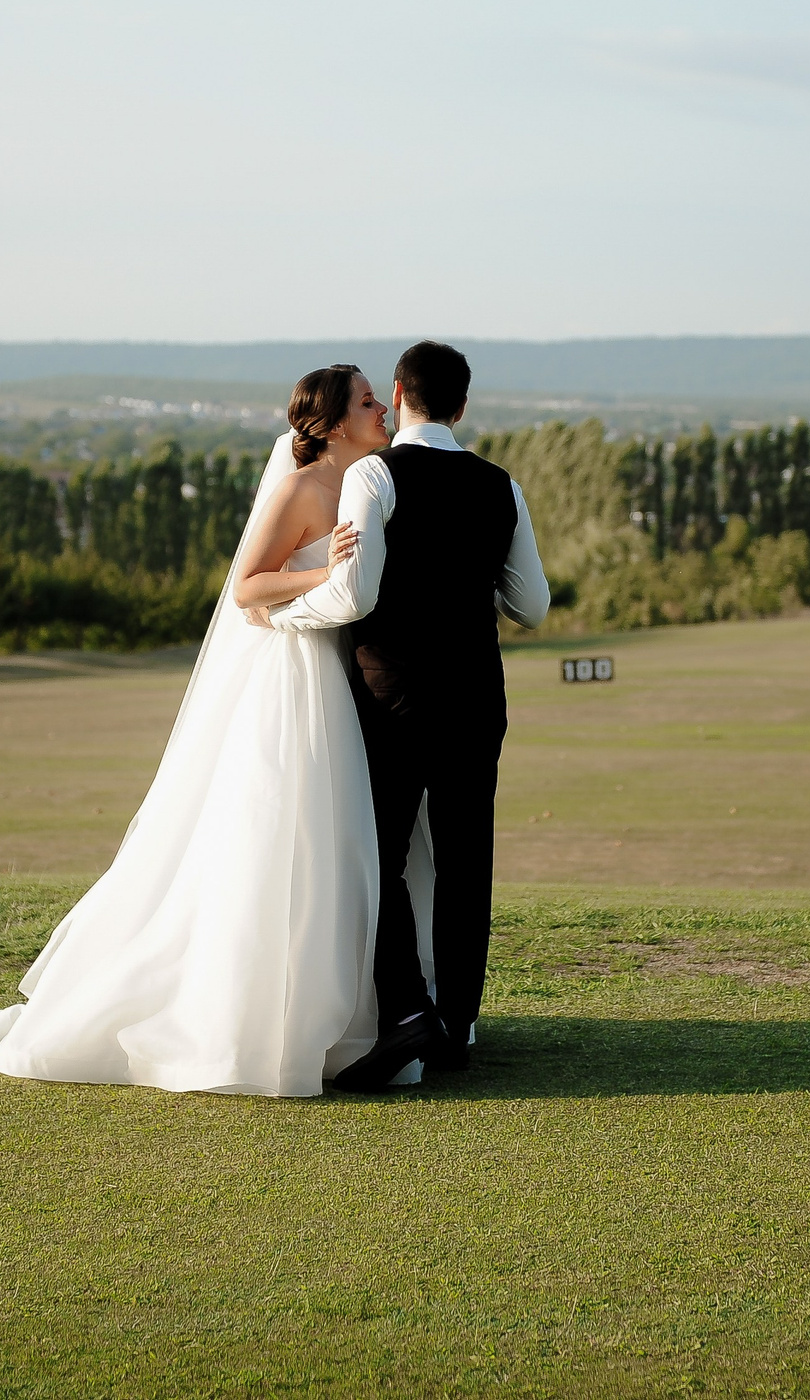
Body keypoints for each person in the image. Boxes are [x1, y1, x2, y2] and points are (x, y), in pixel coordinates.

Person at [0, 365, 396, 1097]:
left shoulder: (367, 481)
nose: (381, 409)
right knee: (277, 832)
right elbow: (247, 587)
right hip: (290, 675)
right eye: (366, 402)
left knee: (335, 839)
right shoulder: (300, 489)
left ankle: (328, 1018)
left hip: (333, 672)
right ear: (330, 423)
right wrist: (319, 573)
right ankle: (242, 1021)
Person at [266, 340, 548, 1090]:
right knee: (464, 862)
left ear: (398, 395)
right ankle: (456, 1024)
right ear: (462, 405)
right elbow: (534, 605)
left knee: (381, 854)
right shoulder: (502, 485)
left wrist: (288, 618)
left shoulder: (374, 473)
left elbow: (355, 596)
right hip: (478, 700)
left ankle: (408, 1011)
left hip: (390, 697)